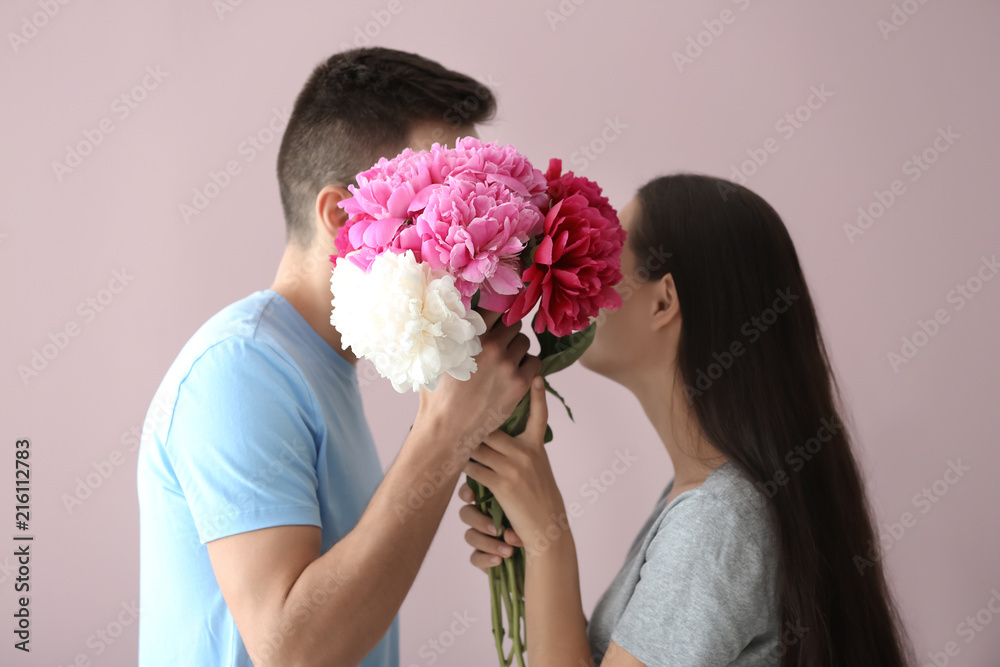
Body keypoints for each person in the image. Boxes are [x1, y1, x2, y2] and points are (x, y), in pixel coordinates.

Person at [136, 47, 540, 667]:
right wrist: (444, 433)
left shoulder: (320, 365)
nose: (469, 233)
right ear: (341, 215)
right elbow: (292, 654)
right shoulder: (240, 372)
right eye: (442, 205)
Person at [459, 174, 915, 666]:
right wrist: (529, 542)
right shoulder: (706, 499)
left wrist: (549, 540)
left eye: (608, 258)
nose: (585, 272)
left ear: (663, 300)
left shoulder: (718, 520)